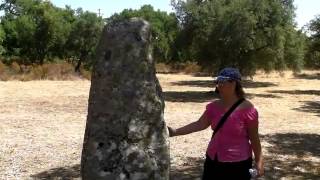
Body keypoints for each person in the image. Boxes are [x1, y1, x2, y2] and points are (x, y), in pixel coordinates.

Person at [167, 67, 264, 179]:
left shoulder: (248, 109)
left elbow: (254, 138)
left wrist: (259, 161)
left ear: (234, 84)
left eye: (223, 82)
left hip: (238, 163)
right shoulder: (213, 107)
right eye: (218, 82)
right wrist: (174, 132)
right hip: (213, 159)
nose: (219, 85)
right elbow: (199, 124)